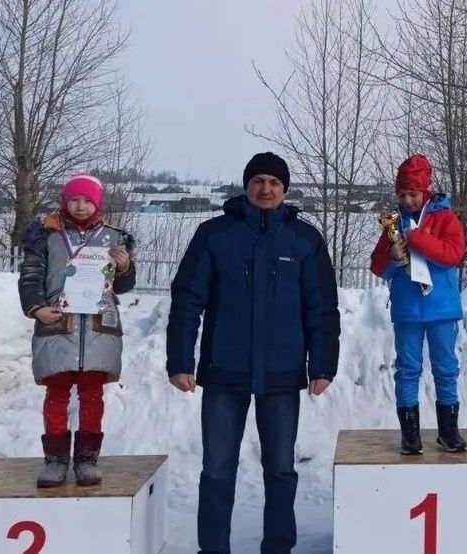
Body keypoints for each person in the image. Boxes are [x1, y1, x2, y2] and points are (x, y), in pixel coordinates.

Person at [166, 152, 340, 554]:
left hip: (281, 372)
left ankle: (278, 547)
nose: (266, 189)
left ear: (285, 189)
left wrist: (323, 363)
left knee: (280, 470)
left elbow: (321, 308)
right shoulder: (215, 235)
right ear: (247, 185)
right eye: (259, 181)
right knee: (217, 471)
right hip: (223, 370)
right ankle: (213, 548)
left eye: (274, 183)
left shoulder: (304, 240)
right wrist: (180, 361)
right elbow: (187, 300)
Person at [17, 174, 136, 488]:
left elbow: (122, 286)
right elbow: (30, 277)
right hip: (57, 324)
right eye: (74, 199)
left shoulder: (114, 237)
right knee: (56, 394)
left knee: (92, 395)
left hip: (99, 330)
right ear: (64, 201)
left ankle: (86, 459)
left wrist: (124, 268)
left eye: (88, 200)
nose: (81, 206)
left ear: (98, 203)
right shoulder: (46, 235)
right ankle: (55, 461)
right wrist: (37, 309)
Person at [369, 154, 467, 454]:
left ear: (426, 191)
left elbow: (453, 254)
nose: (408, 200)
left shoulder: (446, 218)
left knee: (446, 368)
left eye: (413, 194)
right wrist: (393, 258)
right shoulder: (393, 224)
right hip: (408, 308)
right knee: (408, 369)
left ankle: (448, 432)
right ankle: (409, 436)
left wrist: (418, 240)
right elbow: (377, 265)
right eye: (402, 194)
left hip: (441, 308)